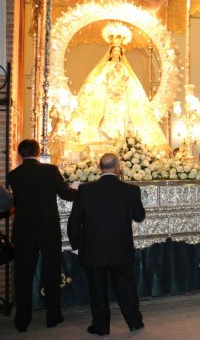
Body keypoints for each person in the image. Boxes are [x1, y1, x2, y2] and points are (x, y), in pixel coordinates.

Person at [67, 153, 145, 336]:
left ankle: (101, 327)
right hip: (121, 248)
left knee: (97, 290)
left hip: (93, 249)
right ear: (118, 167)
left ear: (99, 167)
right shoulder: (131, 190)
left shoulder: (85, 190)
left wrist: (77, 246)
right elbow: (139, 217)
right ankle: (134, 322)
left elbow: (74, 221)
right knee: (126, 287)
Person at [64, 22, 168, 155]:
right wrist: (99, 87)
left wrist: (127, 88)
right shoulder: (105, 67)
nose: (117, 53)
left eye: (119, 51)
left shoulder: (125, 68)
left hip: (122, 99)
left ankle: (123, 141)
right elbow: (98, 80)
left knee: (124, 119)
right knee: (107, 118)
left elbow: (130, 83)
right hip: (109, 98)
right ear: (110, 52)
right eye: (115, 51)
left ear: (121, 53)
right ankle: (106, 140)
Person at [7, 139, 76, 332]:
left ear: (20, 154)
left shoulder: (13, 175)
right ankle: (53, 316)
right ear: (38, 152)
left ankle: (22, 319)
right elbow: (65, 194)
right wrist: (83, 192)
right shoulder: (49, 170)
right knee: (51, 272)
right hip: (48, 230)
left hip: (23, 231)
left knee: (23, 276)